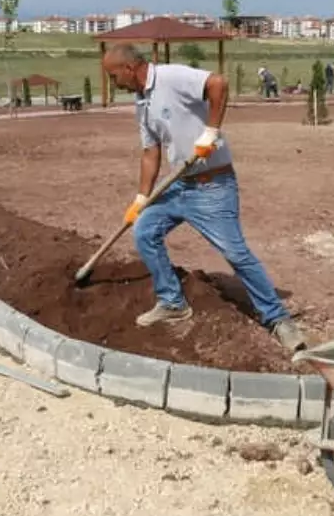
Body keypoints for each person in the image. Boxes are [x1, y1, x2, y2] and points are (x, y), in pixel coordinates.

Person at [102, 44, 306, 352]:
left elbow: (218, 83)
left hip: (213, 186)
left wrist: (210, 132)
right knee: (144, 231)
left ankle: (279, 320)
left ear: (129, 69)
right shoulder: (141, 101)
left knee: (236, 254)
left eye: (113, 75)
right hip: (178, 186)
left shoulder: (171, 77)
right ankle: (172, 302)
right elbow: (150, 151)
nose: (113, 82)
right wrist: (142, 197)